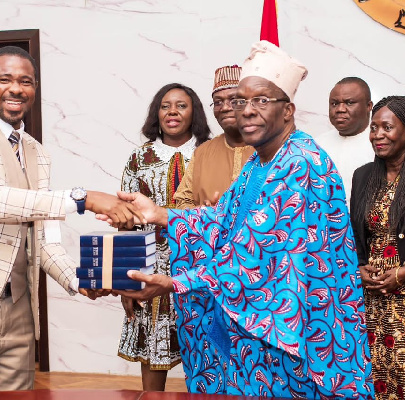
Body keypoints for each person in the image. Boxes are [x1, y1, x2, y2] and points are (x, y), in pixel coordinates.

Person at [105, 41, 373, 398]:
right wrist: (158, 214)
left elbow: (256, 251)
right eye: (239, 101)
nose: (245, 110)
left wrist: (173, 283)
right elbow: (222, 220)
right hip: (262, 331)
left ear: (288, 110)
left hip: (300, 336)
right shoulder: (259, 164)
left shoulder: (301, 164)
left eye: (261, 100)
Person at [0, 46, 142, 395]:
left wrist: (80, 281)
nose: (16, 89)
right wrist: (84, 198)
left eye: (26, 81)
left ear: (34, 89)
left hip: (20, 312)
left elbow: (44, 237)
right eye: (4, 79)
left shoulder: (37, 151)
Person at [118, 83, 210, 391]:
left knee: (208, 353)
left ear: (194, 112)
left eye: (181, 105)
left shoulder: (210, 152)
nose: (172, 111)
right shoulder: (139, 158)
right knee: (153, 355)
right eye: (165, 105)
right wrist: (126, 282)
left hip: (202, 267)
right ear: (156, 113)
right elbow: (125, 222)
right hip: (151, 266)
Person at [351, 96, 405, 399]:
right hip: (374, 302)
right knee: (377, 380)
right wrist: (360, 267)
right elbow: (355, 236)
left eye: (386, 127)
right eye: (373, 127)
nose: (377, 134)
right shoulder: (363, 176)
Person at [174, 65, 254, 208]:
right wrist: (202, 213)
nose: (224, 107)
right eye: (218, 102)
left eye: (234, 100)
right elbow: (183, 201)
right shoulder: (202, 153)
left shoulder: (273, 150)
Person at [317, 77, 374, 201]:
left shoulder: (381, 145)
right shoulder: (317, 145)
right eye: (334, 103)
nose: (340, 109)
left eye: (349, 103)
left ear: (368, 106)